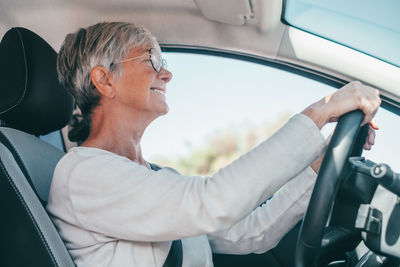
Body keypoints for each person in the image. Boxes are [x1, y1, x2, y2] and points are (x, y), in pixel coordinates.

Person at [46, 22, 380, 267]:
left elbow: (251, 233)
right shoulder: (82, 175)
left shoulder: (153, 178)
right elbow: (214, 201)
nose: (167, 75)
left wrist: (320, 165)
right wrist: (318, 112)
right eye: (152, 60)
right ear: (104, 79)